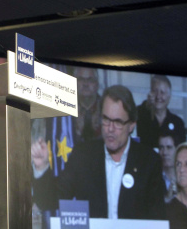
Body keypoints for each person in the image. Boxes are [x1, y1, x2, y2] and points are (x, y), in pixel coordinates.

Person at [32, 85, 166, 220]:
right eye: (106, 119)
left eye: (118, 122)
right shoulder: (83, 155)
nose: (110, 129)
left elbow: (157, 218)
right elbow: (50, 201)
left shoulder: (149, 162)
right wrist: (41, 167)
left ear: (131, 125)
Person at [137, 75, 186, 150]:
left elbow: (182, 151)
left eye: (162, 92)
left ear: (169, 96)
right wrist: (147, 104)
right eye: (155, 91)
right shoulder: (141, 116)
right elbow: (132, 114)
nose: (158, 96)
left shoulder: (178, 123)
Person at [72, 67, 101, 144]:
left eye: (90, 80)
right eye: (81, 79)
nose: (85, 84)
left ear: (97, 85)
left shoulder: (106, 108)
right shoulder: (66, 109)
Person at [158, 131, 184, 203]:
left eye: (169, 147)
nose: (164, 152)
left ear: (177, 150)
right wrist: (167, 198)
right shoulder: (153, 176)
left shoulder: (186, 174)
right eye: (161, 148)